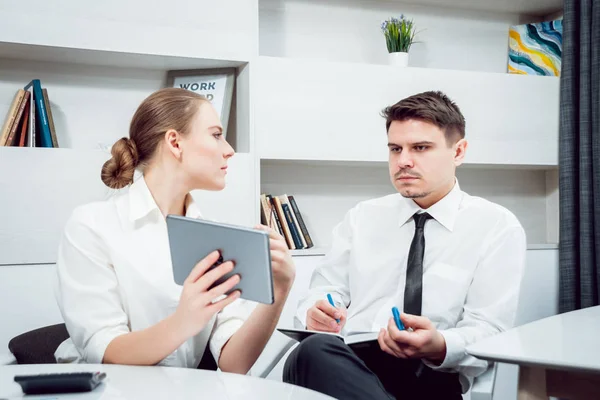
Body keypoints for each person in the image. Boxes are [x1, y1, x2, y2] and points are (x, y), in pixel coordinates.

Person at [283, 91, 526, 399]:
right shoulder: (362, 218)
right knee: (311, 351)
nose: (403, 161)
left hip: (432, 377)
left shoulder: (496, 227)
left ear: (459, 151)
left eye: (420, 148)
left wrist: (439, 344)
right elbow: (324, 292)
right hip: (351, 365)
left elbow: (490, 331)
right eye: (395, 148)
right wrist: (314, 312)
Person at [54, 88, 295, 373]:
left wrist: (279, 290)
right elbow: (104, 350)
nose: (229, 149)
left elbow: (234, 364)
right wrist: (183, 322)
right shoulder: (91, 226)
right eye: (216, 134)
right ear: (175, 143)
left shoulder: (215, 240)